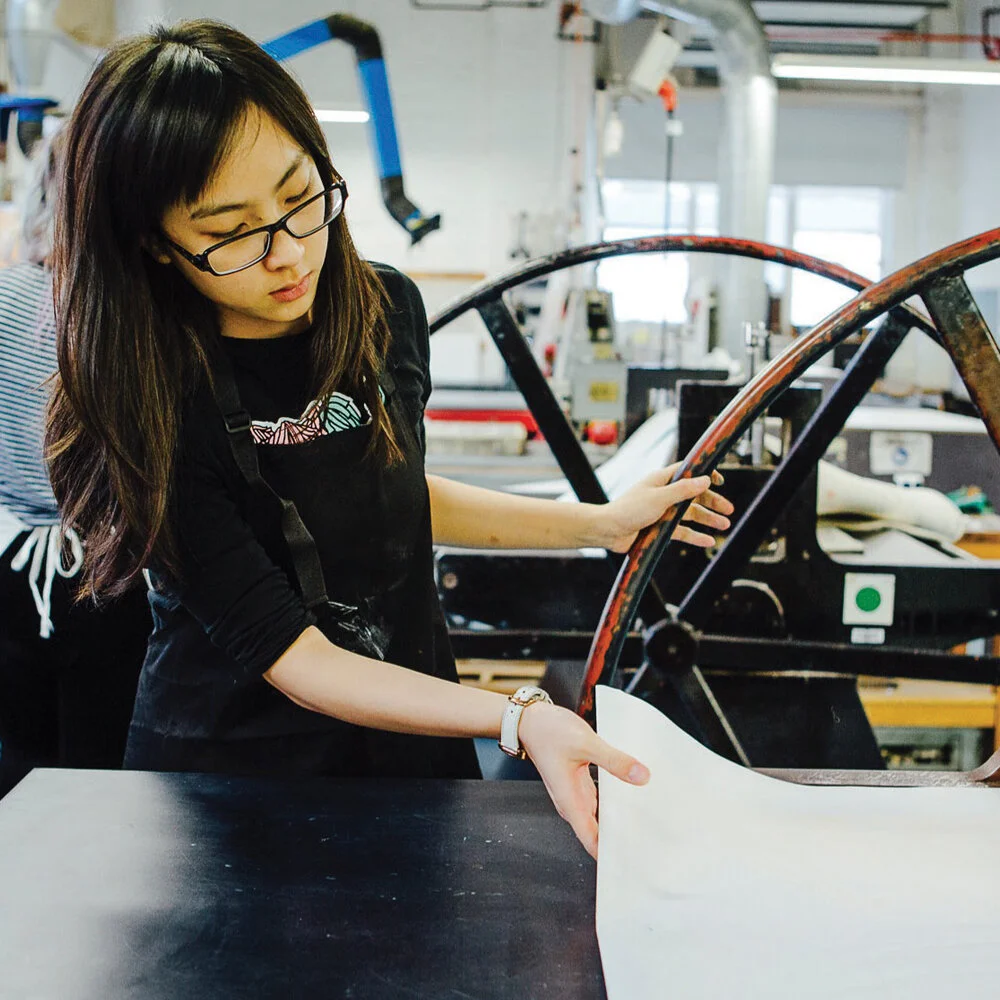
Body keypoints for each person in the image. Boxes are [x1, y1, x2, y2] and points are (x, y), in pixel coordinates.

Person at [45, 20, 733, 857]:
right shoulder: (144, 394)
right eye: (231, 232)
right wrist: (517, 716)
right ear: (155, 242)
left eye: (301, 198)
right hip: (225, 788)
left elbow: (384, 493)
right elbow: (297, 659)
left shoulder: (383, 313)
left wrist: (596, 526)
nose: (289, 253)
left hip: (411, 757)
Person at [0, 132, 151, 799]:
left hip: (9, 567)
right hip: (108, 568)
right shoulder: (131, 311)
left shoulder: (5, 296)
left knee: (19, 764)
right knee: (100, 774)